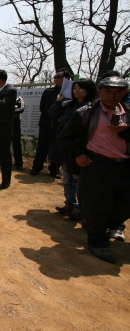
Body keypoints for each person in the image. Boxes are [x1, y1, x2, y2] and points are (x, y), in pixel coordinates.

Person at [57, 76, 130, 264]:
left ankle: (101, 225)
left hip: (125, 165)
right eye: (108, 91)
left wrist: (124, 131)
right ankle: (98, 242)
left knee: (125, 205)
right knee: (98, 206)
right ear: (99, 92)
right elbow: (65, 138)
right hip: (97, 164)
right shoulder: (86, 113)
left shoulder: (127, 113)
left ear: (125, 93)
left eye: (117, 92)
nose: (113, 95)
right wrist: (78, 155)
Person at [49, 79, 97, 221]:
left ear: (89, 90)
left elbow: (78, 125)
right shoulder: (69, 104)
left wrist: (63, 120)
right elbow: (52, 114)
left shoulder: (93, 107)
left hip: (83, 148)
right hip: (66, 146)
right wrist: (59, 101)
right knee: (67, 176)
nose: (76, 91)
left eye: (80, 88)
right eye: (75, 88)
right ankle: (70, 204)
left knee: (81, 181)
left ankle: (81, 209)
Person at [31, 69, 71, 178]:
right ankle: (37, 167)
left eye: (58, 77)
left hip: (60, 126)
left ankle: (54, 169)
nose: (55, 79)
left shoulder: (70, 93)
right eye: (55, 77)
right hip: (46, 124)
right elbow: (42, 107)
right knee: (42, 147)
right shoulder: (48, 92)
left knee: (57, 148)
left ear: (66, 79)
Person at [12, 95, 25, 170]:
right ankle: (3, 162)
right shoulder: (5, 98)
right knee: (5, 144)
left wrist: (10, 110)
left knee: (17, 144)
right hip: (6, 123)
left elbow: (21, 109)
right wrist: (14, 107)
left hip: (16, 123)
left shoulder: (19, 99)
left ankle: (19, 163)